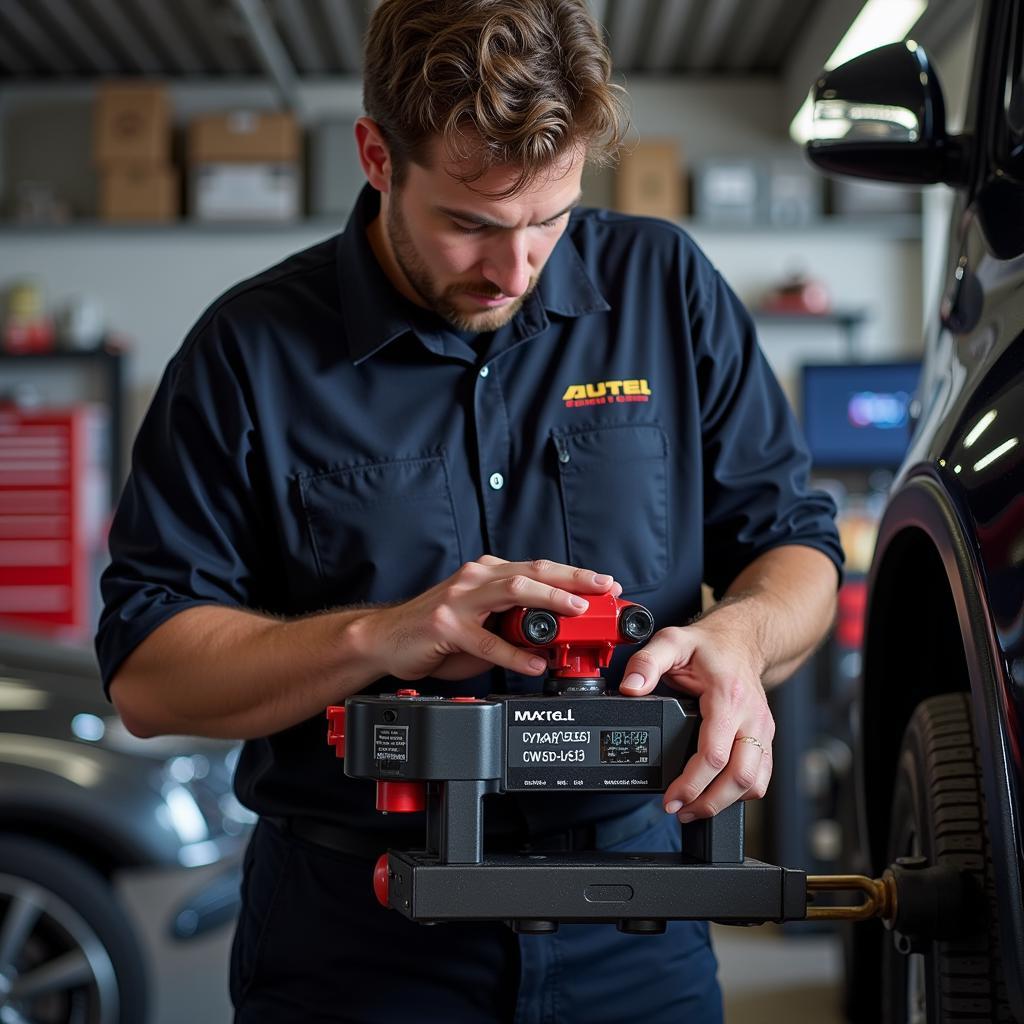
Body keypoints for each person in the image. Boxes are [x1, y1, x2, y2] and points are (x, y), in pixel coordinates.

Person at [96, 1, 843, 1021]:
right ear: (375, 155)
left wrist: (741, 637)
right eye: (469, 224)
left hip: (634, 918)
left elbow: (792, 549)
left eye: (552, 218)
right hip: (357, 940)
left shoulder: (666, 287)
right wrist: (386, 633)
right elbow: (149, 675)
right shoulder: (249, 351)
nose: (516, 268)